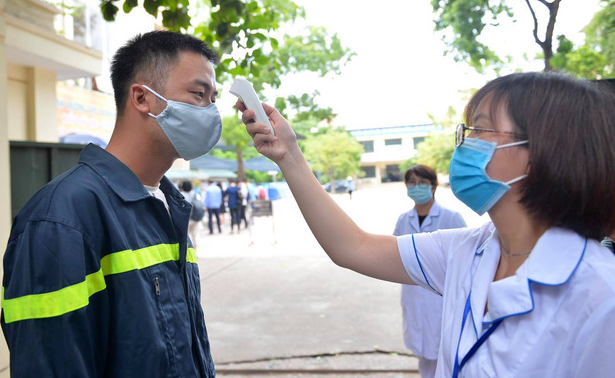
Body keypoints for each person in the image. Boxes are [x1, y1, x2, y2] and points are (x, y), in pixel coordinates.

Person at [238, 71, 615, 377]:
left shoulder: (602, 299)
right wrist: (289, 155)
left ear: (542, 153)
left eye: (480, 131)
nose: (464, 145)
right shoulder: (469, 250)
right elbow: (353, 247)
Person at [1, 31, 221, 377]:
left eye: (213, 98)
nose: (210, 111)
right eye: (198, 94)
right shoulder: (62, 218)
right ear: (142, 98)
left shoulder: (166, 205)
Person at [394, 165, 466, 378]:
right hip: (414, 297)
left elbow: (464, 260)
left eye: (423, 183)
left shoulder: (451, 217)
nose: (417, 188)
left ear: (433, 187)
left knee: (446, 353)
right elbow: (396, 255)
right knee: (425, 357)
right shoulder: (403, 219)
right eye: (412, 183)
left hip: (441, 298)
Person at [180, 179, 203, 249]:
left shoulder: (181, 195)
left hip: (186, 219)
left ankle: (187, 253)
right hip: (196, 218)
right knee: (195, 235)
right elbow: (201, 204)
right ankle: (195, 252)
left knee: (186, 236)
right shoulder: (195, 194)